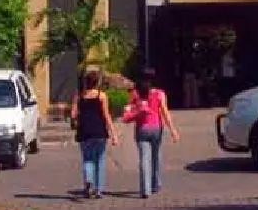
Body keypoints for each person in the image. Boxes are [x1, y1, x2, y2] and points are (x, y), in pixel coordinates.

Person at [122, 69, 180, 199]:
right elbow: (165, 112)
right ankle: (156, 184)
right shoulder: (160, 94)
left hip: (142, 128)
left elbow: (127, 113)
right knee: (156, 156)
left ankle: (145, 189)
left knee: (144, 159)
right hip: (156, 127)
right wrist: (173, 130)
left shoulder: (135, 95)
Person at [70, 70, 118, 200]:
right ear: (97, 83)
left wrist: (77, 117)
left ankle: (89, 181)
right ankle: (99, 190)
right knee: (100, 160)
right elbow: (106, 115)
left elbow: (73, 114)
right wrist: (113, 134)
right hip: (99, 131)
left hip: (84, 131)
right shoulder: (101, 96)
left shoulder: (79, 96)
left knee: (87, 159)